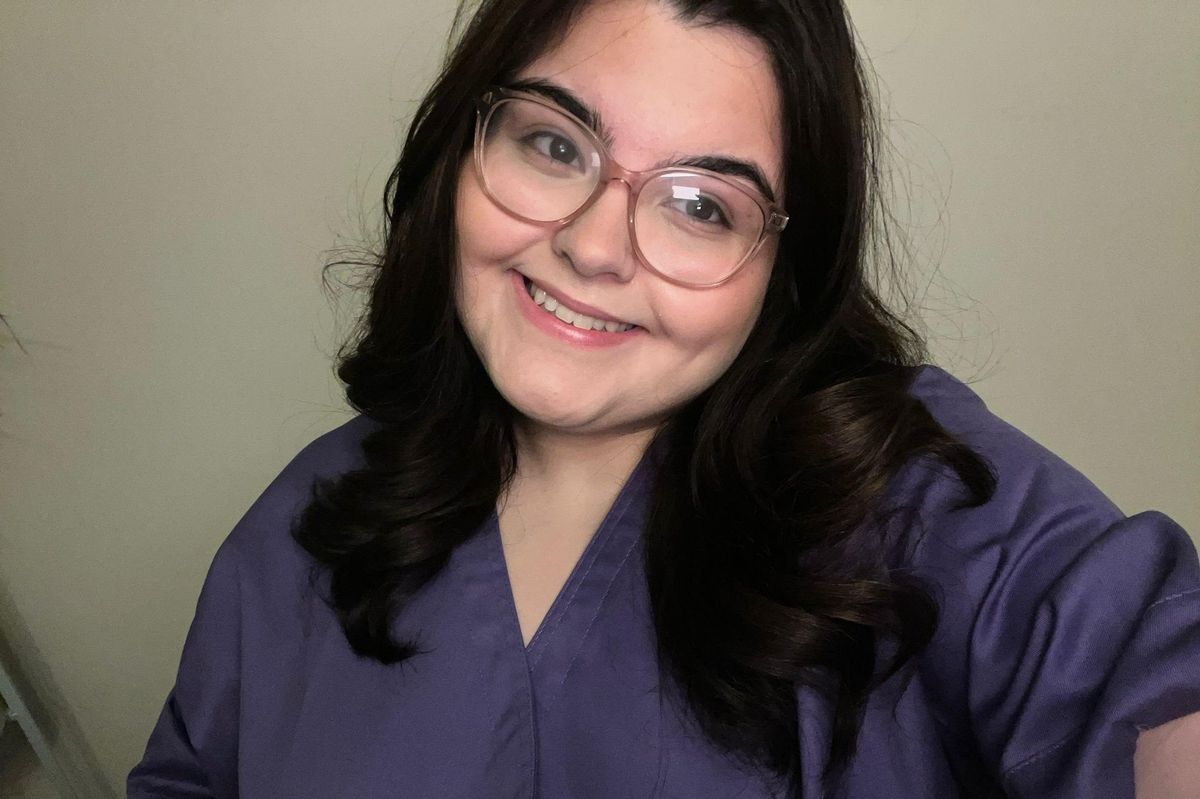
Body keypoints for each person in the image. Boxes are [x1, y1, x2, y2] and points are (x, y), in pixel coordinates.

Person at [127, 0, 1200, 796]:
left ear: (781, 267)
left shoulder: (914, 497)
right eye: (554, 144)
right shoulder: (296, 531)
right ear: (465, 144)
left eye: (699, 204)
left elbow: (1133, 664)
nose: (595, 246)